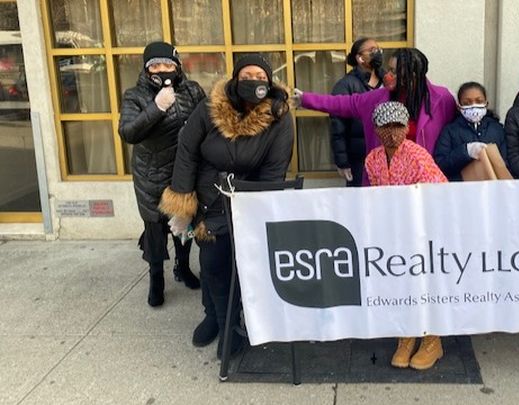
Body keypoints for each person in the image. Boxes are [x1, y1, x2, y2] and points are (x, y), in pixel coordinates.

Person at [159, 54, 293, 358]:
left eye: (260, 76)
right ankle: (219, 320)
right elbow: (187, 151)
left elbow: (274, 170)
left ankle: (233, 320)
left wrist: (258, 211)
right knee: (213, 263)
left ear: (269, 82)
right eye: (246, 76)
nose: (253, 81)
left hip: (249, 198)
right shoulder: (209, 107)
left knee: (241, 266)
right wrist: (182, 202)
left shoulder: (279, 116)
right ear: (235, 79)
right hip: (210, 198)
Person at [119, 41, 205, 307]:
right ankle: (156, 277)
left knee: (183, 225)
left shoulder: (192, 90)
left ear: (177, 66)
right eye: (155, 65)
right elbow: (128, 132)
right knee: (156, 231)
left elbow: (206, 122)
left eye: (168, 64)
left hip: (184, 173)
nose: (162, 69)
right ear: (147, 69)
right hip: (152, 176)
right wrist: (156, 107)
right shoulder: (135, 96)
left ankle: (183, 267)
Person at [365, 101, 447, 370]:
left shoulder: (417, 155)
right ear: (376, 128)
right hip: (392, 231)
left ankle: (432, 340)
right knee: (400, 284)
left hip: (423, 229)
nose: (392, 132)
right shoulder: (373, 159)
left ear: (406, 127)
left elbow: (437, 193)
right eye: (385, 126)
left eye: (398, 126)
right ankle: (406, 336)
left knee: (426, 283)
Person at [294, 48, 456, 184]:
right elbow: (342, 103)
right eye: (389, 69)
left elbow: (455, 135)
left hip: (424, 184)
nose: (387, 75)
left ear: (412, 75)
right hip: (383, 182)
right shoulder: (377, 98)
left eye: (394, 71)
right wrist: (306, 99)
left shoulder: (442, 99)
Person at [330, 38, 385, 186]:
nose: (378, 53)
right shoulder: (345, 85)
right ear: (360, 58)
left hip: (386, 156)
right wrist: (342, 161)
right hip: (359, 159)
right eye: (372, 50)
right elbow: (338, 127)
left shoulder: (387, 80)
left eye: (378, 49)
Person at [433, 82, 506, 181]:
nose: (473, 106)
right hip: (461, 187)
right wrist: (466, 151)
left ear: (486, 103)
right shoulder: (450, 131)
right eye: (467, 103)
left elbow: (506, 163)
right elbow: (440, 165)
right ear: (459, 106)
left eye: (479, 101)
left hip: (491, 187)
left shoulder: (497, 129)